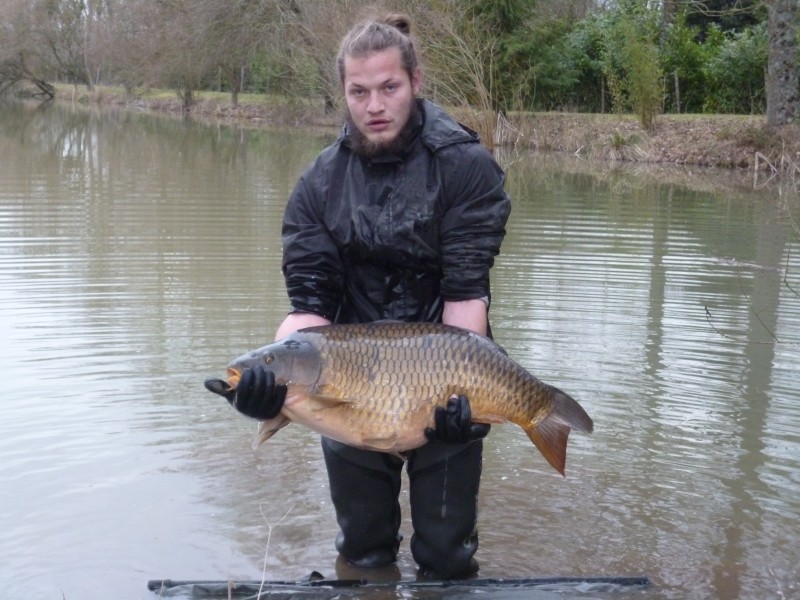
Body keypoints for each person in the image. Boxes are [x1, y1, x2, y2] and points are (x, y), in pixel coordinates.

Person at [224, 13, 510, 579]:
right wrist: (267, 388)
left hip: (443, 370)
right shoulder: (318, 184)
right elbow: (308, 311)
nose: (374, 105)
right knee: (362, 552)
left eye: (389, 87)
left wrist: (463, 402)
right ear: (344, 92)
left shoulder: (466, 168)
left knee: (447, 557)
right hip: (349, 379)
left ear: (416, 81)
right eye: (359, 91)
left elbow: (465, 298)